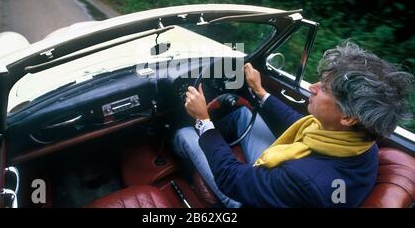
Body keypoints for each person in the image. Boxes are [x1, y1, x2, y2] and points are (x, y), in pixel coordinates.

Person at [172, 41, 413, 207]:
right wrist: (259, 91)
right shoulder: (359, 141)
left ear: (348, 117)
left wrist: (203, 121)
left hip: (247, 198)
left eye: (324, 89)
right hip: (291, 186)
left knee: (185, 132)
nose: (312, 87)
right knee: (243, 116)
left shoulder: (306, 181)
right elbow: (296, 124)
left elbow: (232, 179)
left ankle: (177, 164)